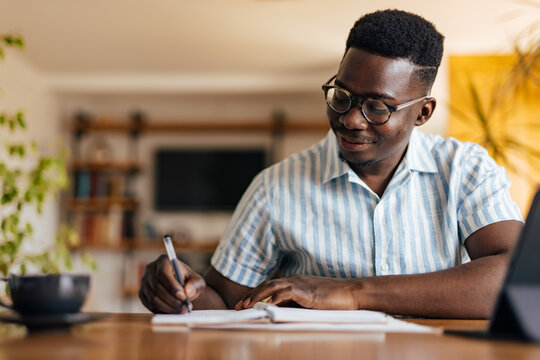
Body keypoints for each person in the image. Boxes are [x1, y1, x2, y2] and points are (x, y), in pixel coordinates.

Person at [139, 9, 524, 318]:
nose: (352, 119)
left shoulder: (466, 170)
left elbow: (517, 279)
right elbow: (222, 305)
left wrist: (350, 292)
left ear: (422, 112)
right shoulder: (275, 187)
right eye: (342, 95)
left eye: (377, 107)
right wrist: (178, 292)